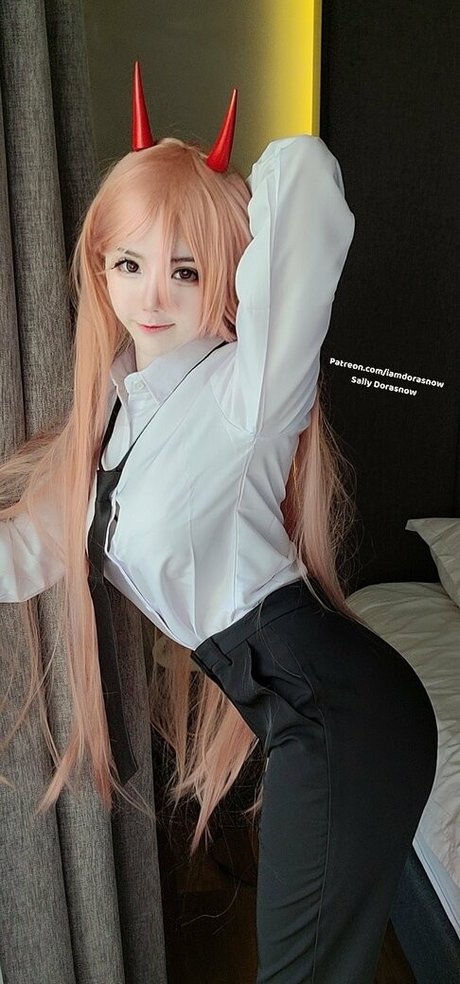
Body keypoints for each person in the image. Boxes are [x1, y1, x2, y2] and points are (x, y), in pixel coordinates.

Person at [0, 63, 437, 983]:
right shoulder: (110, 420)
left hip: (342, 712)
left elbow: (307, 177)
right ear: (100, 270)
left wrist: (208, 181)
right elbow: (25, 551)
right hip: (305, 716)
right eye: (129, 264)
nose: (153, 296)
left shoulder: (250, 391)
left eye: (187, 269)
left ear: (227, 274)